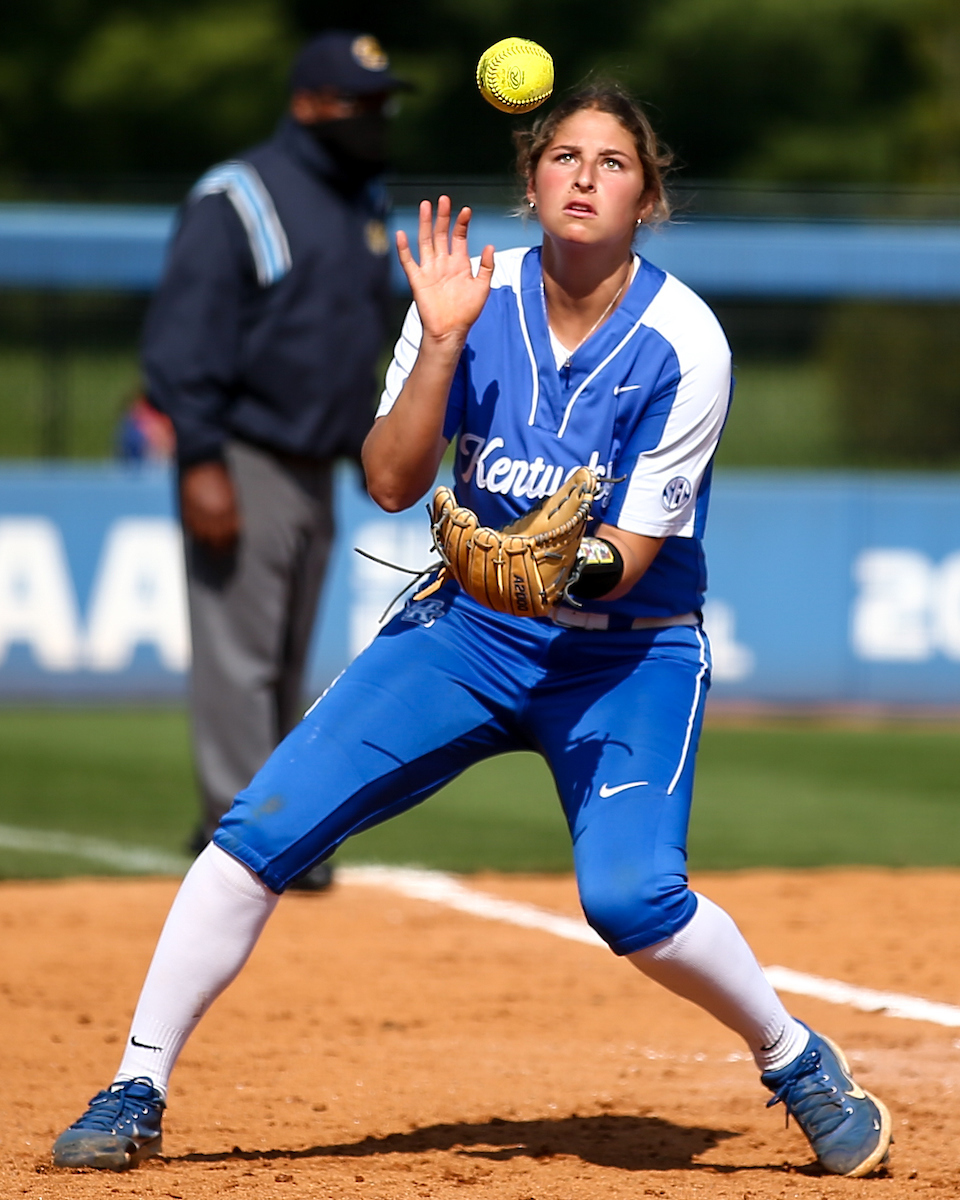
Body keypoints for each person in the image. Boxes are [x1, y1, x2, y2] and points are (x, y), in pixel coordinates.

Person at [52, 83, 892, 1178]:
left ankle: (795, 1059)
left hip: (624, 650)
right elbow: (392, 479)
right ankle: (135, 1085)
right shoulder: (466, 298)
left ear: (650, 199)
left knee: (632, 899)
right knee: (253, 835)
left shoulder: (686, 342)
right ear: (532, 182)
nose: (586, 175)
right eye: (566, 157)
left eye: (615, 163)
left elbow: (628, 557)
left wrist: (547, 561)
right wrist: (441, 346)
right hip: (468, 631)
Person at [141, 30, 407, 887]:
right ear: (308, 105)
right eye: (358, 103)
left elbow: (360, 337)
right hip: (245, 452)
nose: (375, 117)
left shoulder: (359, 198)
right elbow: (184, 340)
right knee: (241, 659)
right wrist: (202, 460)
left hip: (318, 461)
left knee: (288, 658)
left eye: (381, 102)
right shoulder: (241, 195)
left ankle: (277, 829)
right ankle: (243, 837)